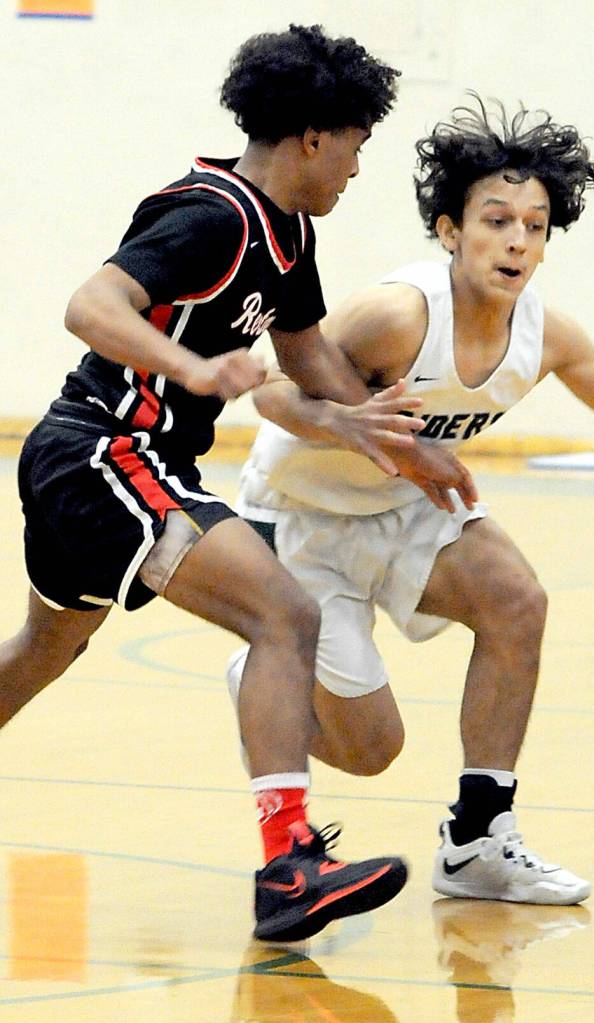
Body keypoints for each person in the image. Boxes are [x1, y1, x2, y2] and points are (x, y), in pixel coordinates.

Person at [226, 95, 594, 907]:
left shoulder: (545, 334)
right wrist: (359, 427)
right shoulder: (397, 315)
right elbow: (270, 395)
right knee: (372, 746)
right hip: (301, 515)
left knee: (517, 599)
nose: (517, 239)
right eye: (495, 220)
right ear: (451, 230)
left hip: (405, 501)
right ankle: (261, 679)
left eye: (535, 224)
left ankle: (479, 840)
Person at [0, 24, 435, 943]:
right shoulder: (214, 215)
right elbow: (90, 304)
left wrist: (364, 421)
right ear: (314, 136)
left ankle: (287, 865)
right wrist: (188, 368)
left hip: (106, 463)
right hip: (104, 452)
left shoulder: (288, 234)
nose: (359, 168)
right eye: (357, 144)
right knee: (286, 614)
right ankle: (288, 866)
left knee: (42, 653)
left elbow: (306, 350)